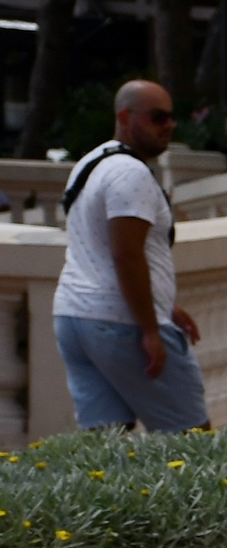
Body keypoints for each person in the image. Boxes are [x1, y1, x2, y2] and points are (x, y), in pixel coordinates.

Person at [53, 79, 206, 432]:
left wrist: (165, 303)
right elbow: (126, 254)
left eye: (171, 117)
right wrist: (151, 329)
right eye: (157, 117)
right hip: (119, 322)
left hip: (74, 318)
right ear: (125, 116)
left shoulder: (90, 163)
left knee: (103, 448)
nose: (168, 125)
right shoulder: (130, 173)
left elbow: (101, 249)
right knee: (192, 439)